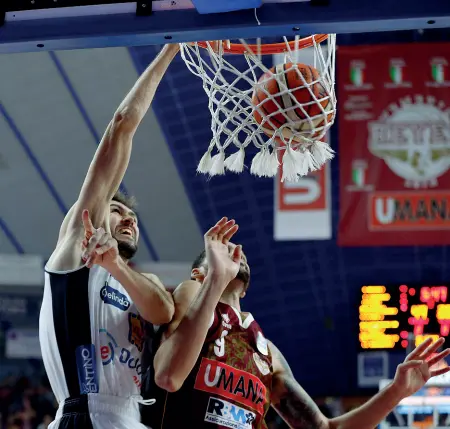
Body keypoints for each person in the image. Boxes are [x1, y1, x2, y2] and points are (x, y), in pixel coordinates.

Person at [142, 217, 450, 429]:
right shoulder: (191, 292)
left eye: (238, 254)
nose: (236, 255)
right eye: (225, 252)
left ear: (247, 288)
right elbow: (169, 376)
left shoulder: (267, 353)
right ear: (198, 273)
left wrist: (396, 391)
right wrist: (216, 278)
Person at [39, 44, 179, 429]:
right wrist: (173, 47)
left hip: (131, 416)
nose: (130, 219)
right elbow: (122, 124)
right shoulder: (76, 247)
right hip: (83, 413)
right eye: (118, 211)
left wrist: (117, 264)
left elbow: (162, 311)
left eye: (134, 216)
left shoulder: (138, 279)